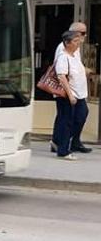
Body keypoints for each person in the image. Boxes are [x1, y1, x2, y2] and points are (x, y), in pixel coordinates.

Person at [53, 30, 92, 160]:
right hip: (68, 95)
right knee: (67, 121)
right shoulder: (63, 57)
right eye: (75, 41)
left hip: (80, 94)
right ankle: (63, 149)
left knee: (81, 116)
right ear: (67, 43)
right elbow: (62, 77)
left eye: (78, 40)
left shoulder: (74, 56)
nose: (78, 43)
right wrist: (70, 95)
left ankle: (64, 142)